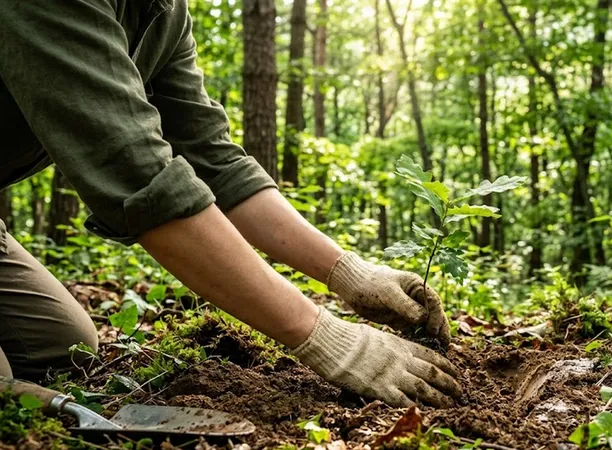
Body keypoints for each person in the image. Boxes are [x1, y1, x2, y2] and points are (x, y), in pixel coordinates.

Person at [0, 0, 460, 408]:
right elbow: (136, 172)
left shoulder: (164, 14)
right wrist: (327, 338)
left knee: (61, 351)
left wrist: (351, 274)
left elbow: (214, 161)